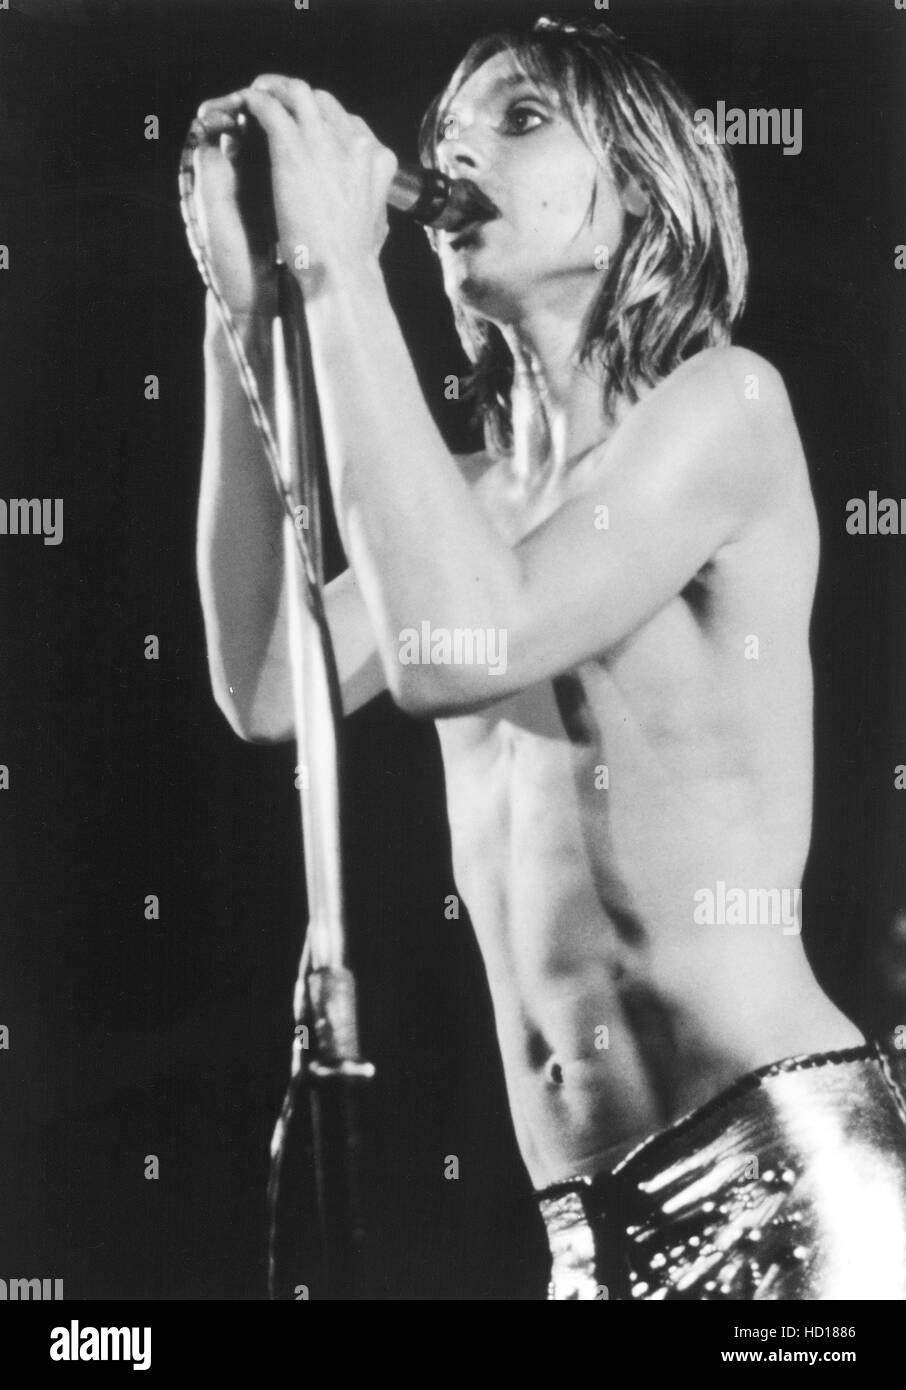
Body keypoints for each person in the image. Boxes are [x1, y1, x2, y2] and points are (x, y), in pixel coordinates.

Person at [192, 17, 906, 1299]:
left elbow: (460, 646)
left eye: (521, 119)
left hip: (780, 1173)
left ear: (640, 188)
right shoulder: (463, 508)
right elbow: (263, 682)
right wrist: (242, 316)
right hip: (587, 1223)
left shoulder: (727, 405)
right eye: (446, 134)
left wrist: (341, 271)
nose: (460, 152)